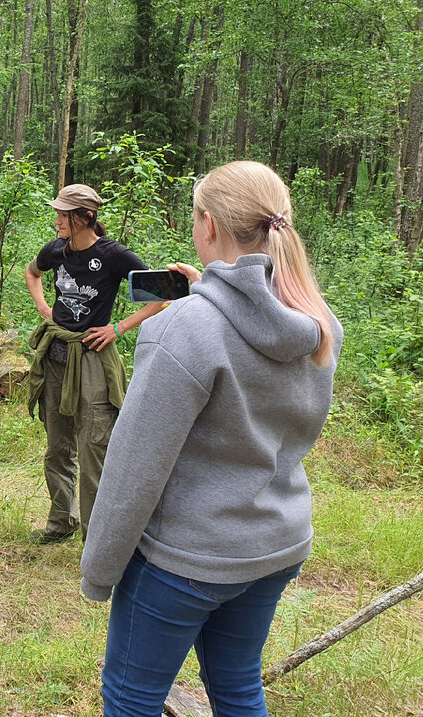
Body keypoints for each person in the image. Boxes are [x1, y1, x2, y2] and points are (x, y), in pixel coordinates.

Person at [80, 161, 342, 717]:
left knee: (131, 698)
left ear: (207, 225)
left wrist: (99, 571)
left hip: (186, 559)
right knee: (239, 684)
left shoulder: (183, 329)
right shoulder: (318, 324)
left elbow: (133, 469)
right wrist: (213, 295)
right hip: (274, 546)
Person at [25, 183, 165, 544]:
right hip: (55, 357)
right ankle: (60, 523)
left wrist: (117, 328)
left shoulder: (113, 255)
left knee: (93, 451)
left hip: (92, 362)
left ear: (84, 218)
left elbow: (163, 295)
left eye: (63, 214)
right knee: (57, 447)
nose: (57, 220)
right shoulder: (55, 250)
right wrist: (44, 307)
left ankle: (97, 540)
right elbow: (32, 272)